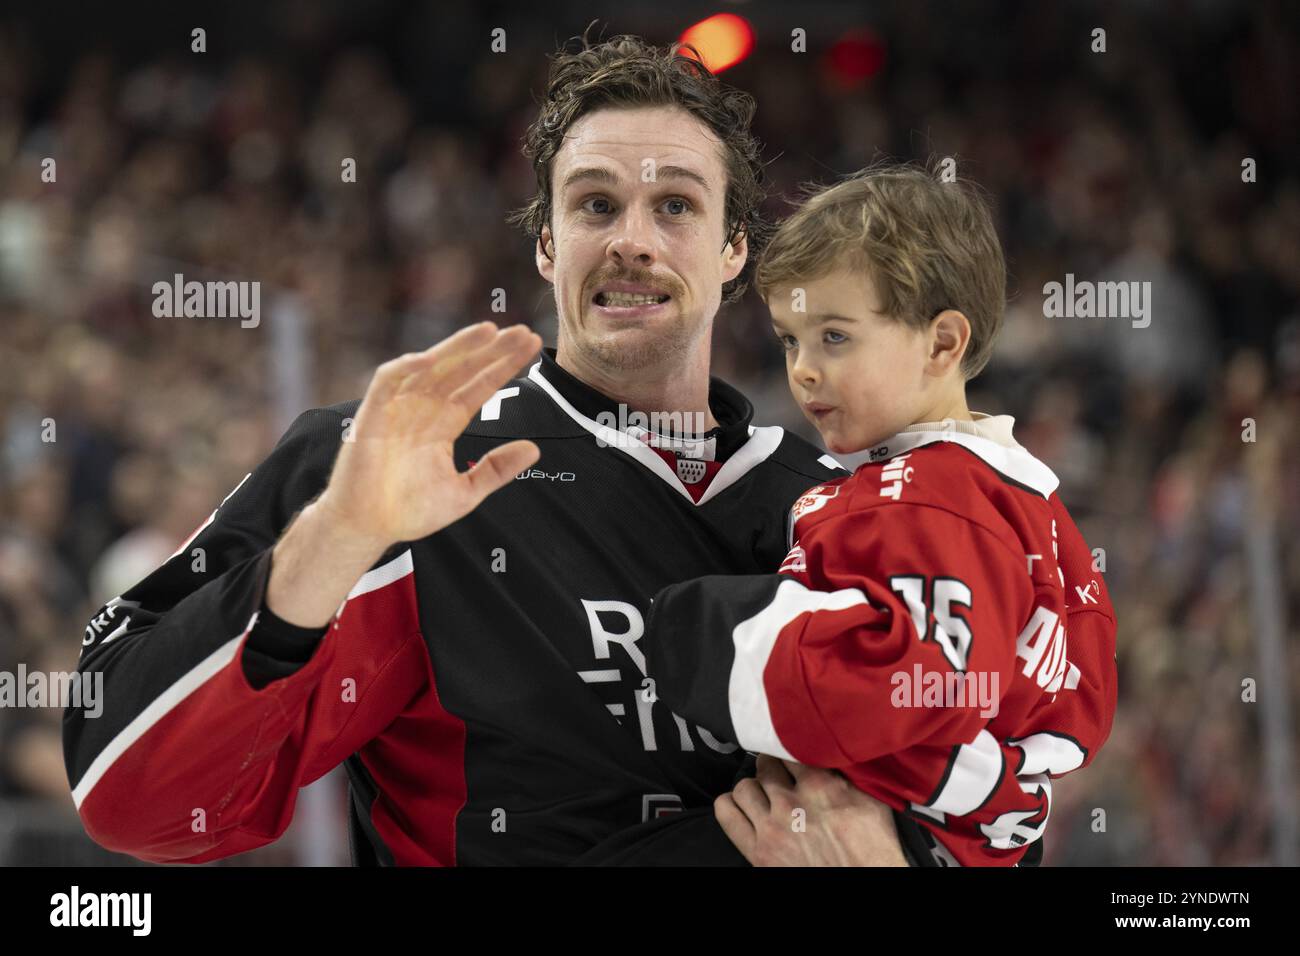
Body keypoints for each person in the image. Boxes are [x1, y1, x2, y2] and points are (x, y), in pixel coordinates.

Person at [62, 35, 1094, 867]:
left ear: (735, 250)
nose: (632, 240)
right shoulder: (398, 466)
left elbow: (994, 795)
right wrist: (339, 534)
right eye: (595, 203)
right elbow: (134, 800)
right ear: (546, 243)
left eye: (676, 206)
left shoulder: (853, 497)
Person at [642, 163, 1119, 865]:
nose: (802, 369)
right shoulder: (1020, 502)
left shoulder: (936, 496)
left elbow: (921, 685)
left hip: (892, 826)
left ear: (943, 343)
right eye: (790, 339)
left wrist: (711, 639)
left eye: (834, 336)